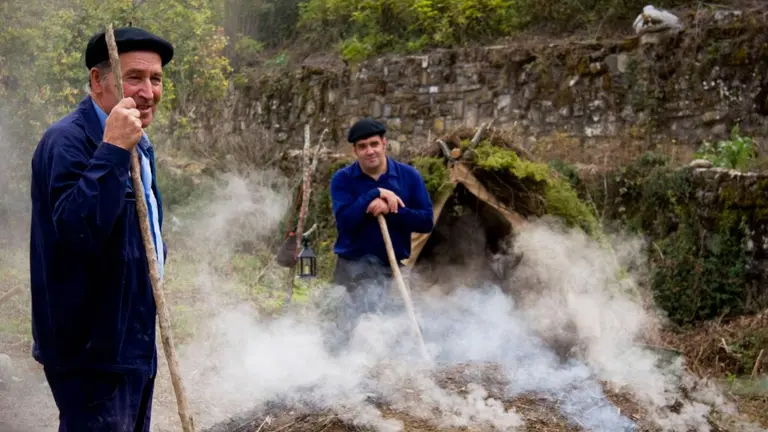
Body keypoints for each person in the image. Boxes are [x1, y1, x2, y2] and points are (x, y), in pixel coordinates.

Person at [29, 26, 174, 431]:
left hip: (134, 335)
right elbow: (77, 233)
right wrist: (111, 151)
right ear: (99, 80)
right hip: (91, 348)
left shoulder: (140, 144)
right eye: (134, 77)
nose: (148, 91)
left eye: (156, 79)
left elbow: (141, 235)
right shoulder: (67, 141)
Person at [329, 118, 434, 341]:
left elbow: (426, 221)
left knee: (392, 332)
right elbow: (345, 221)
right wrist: (374, 194)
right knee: (348, 333)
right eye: (362, 146)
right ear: (355, 150)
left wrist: (392, 210)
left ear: (384, 143)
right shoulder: (342, 180)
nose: (370, 151)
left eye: (374, 144)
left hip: (391, 270)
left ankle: (390, 375)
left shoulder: (409, 177)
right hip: (351, 270)